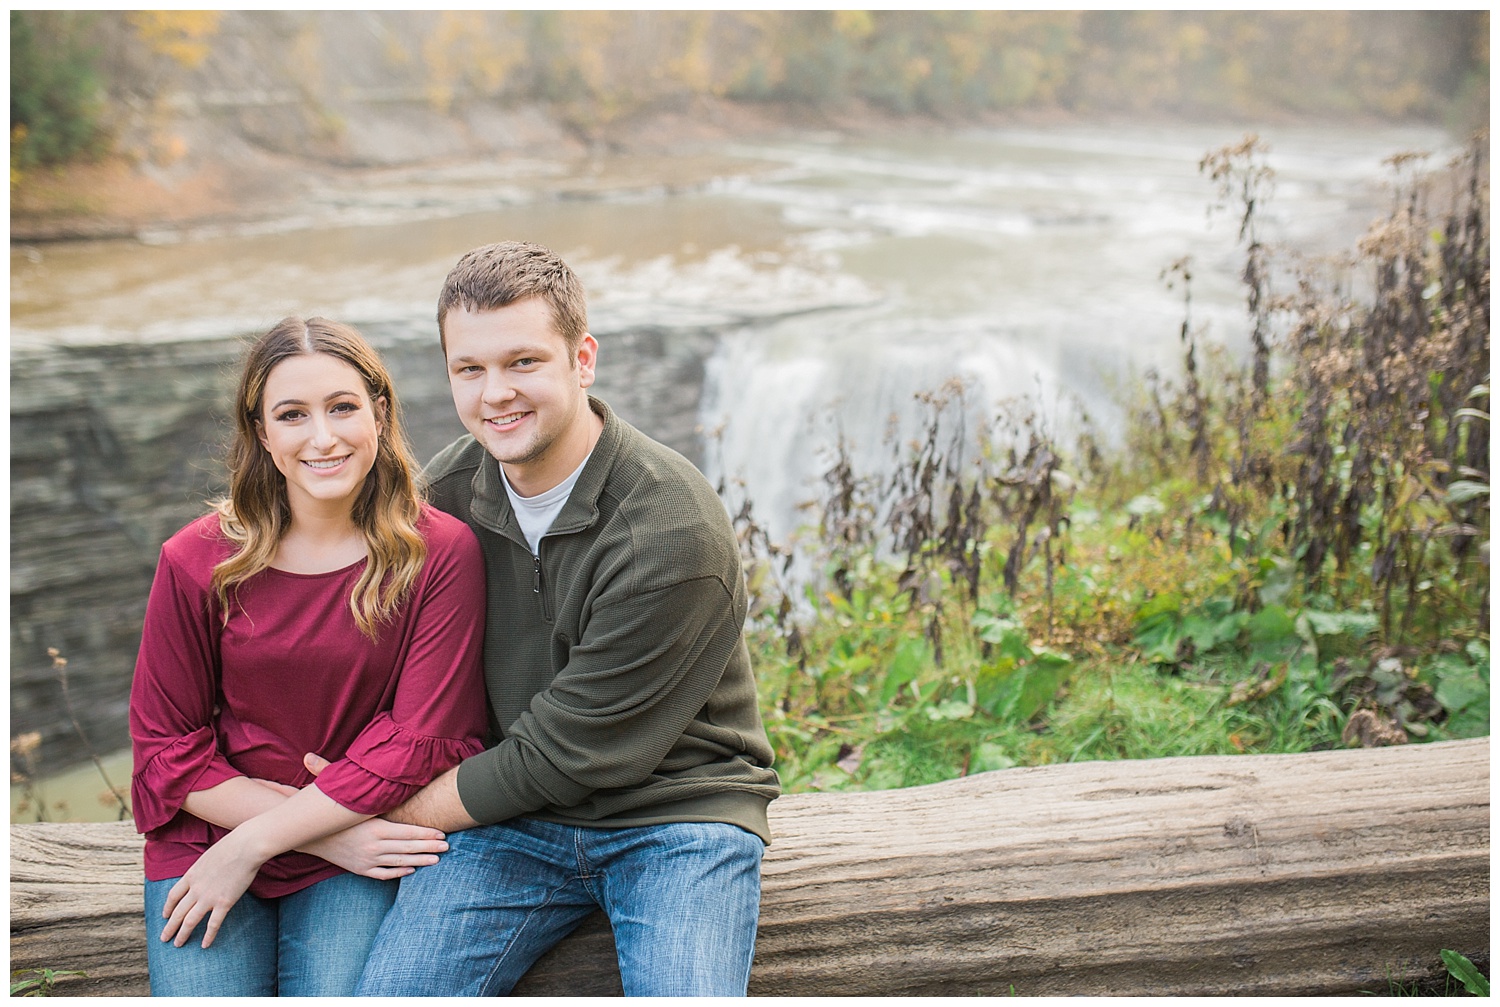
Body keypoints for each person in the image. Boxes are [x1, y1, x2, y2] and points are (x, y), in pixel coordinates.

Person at [348, 241, 782, 997]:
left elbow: (568, 754)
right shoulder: (444, 495)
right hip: (508, 824)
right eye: (470, 369)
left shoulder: (671, 529)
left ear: (582, 359)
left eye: (524, 362)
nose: (496, 394)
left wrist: (368, 807)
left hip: (675, 815)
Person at [128, 317, 489, 997]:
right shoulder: (197, 559)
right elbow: (164, 744)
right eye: (292, 414)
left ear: (379, 412)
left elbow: (421, 741)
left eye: (343, 407)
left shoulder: (439, 553)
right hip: (223, 831)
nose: (322, 437)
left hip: (352, 840)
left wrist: (264, 841)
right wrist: (302, 833)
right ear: (262, 433)